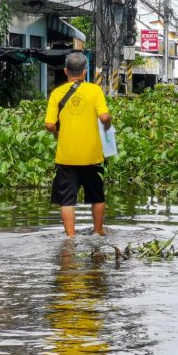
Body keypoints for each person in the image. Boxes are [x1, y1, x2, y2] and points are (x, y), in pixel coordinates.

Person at [45, 52, 112, 237]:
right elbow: (104, 117)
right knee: (97, 196)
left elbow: (49, 124)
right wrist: (108, 124)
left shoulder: (57, 93)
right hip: (92, 155)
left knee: (67, 200)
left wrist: (59, 132)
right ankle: (98, 232)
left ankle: (70, 238)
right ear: (84, 71)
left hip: (66, 155)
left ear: (66, 71)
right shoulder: (94, 90)